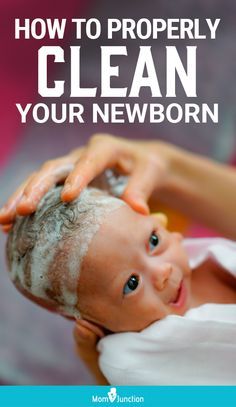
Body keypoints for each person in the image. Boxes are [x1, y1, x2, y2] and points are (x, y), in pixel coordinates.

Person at [1, 133, 236, 384]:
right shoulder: (134, 361)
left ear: (157, 220)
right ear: (93, 322)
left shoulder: (208, 259)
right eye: (131, 283)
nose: (161, 273)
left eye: (153, 242)